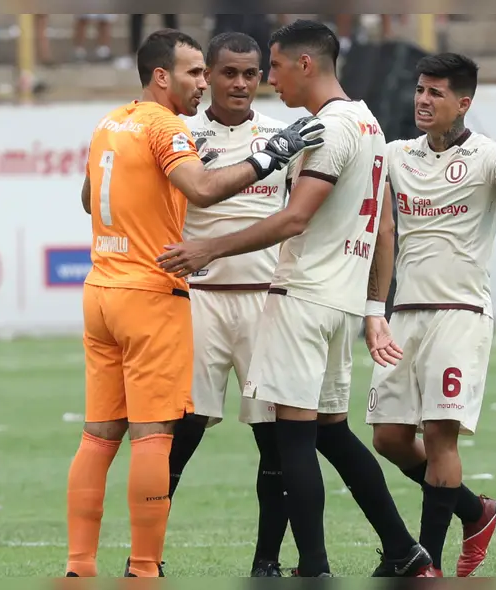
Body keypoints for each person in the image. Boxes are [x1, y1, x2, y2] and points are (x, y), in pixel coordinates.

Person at [157, 20, 437, 578]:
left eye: (271, 69)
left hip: (297, 295)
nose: (264, 83)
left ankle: (309, 565)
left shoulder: (321, 130)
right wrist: (373, 309)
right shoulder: (369, 123)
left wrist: (207, 245)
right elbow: (381, 226)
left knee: (290, 441)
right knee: (330, 432)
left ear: (302, 65)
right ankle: (404, 548)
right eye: (232, 73)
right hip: (332, 301)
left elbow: (295, 217)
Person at [65, 28, 323, 579]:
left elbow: (90, 199)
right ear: (163, 76)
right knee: (158, 437)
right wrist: (270, 156)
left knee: (98, 435)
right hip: (156, 293)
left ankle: (80, 566)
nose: (207, 85)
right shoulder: (168, 127)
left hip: (103, 289)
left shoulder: (111, 122)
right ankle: (144, 567)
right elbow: (202, 190)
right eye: (198, 73)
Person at [366, 53, 496, 577]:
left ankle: (427, 564)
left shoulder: (492, 157)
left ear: (463, 103)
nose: (423, 100)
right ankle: (476, 512)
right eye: (421, 90)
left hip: (460, 313)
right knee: (390, 439)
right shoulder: (398, 155)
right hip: (406, 315)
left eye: (436, 93)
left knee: (439, 433)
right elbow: (381, 231)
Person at [163, 31, 296, 578]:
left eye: (251, 73)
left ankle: (266, 562)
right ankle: (146, 556)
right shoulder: (180, 134)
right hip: (197, 303)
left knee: (275, 439)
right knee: (180, 434)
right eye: (227, 73)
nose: (240, 83)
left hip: (266, 304)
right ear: (208, 76)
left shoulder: (286, 135)